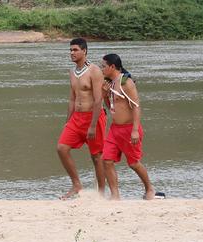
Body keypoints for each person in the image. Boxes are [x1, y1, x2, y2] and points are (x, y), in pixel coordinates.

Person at [98, 53, 156, 200]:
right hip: (114, 129)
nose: (101, 69)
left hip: (129, 129)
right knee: (106, 160)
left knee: (134, 163)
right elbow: (110, 105)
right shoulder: (110, 83)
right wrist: (105, 93)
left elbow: (136, 106)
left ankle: (149, 188)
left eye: (103, 66)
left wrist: (135, 130)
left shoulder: (126, 83)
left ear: (112, 66)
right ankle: (115, 195)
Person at [57, 38, 108, 200]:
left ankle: (101, 191)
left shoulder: (94, 71)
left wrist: (93, 126)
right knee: (62, 148)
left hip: (93, 117)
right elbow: (72, 99)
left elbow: (98, 100)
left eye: (75, 50)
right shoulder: (72, 72)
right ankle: (76, 184)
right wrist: (67, 121)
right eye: (70, 50)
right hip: (76, 118)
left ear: (84, 51)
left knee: (96, 155)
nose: (72, 53)